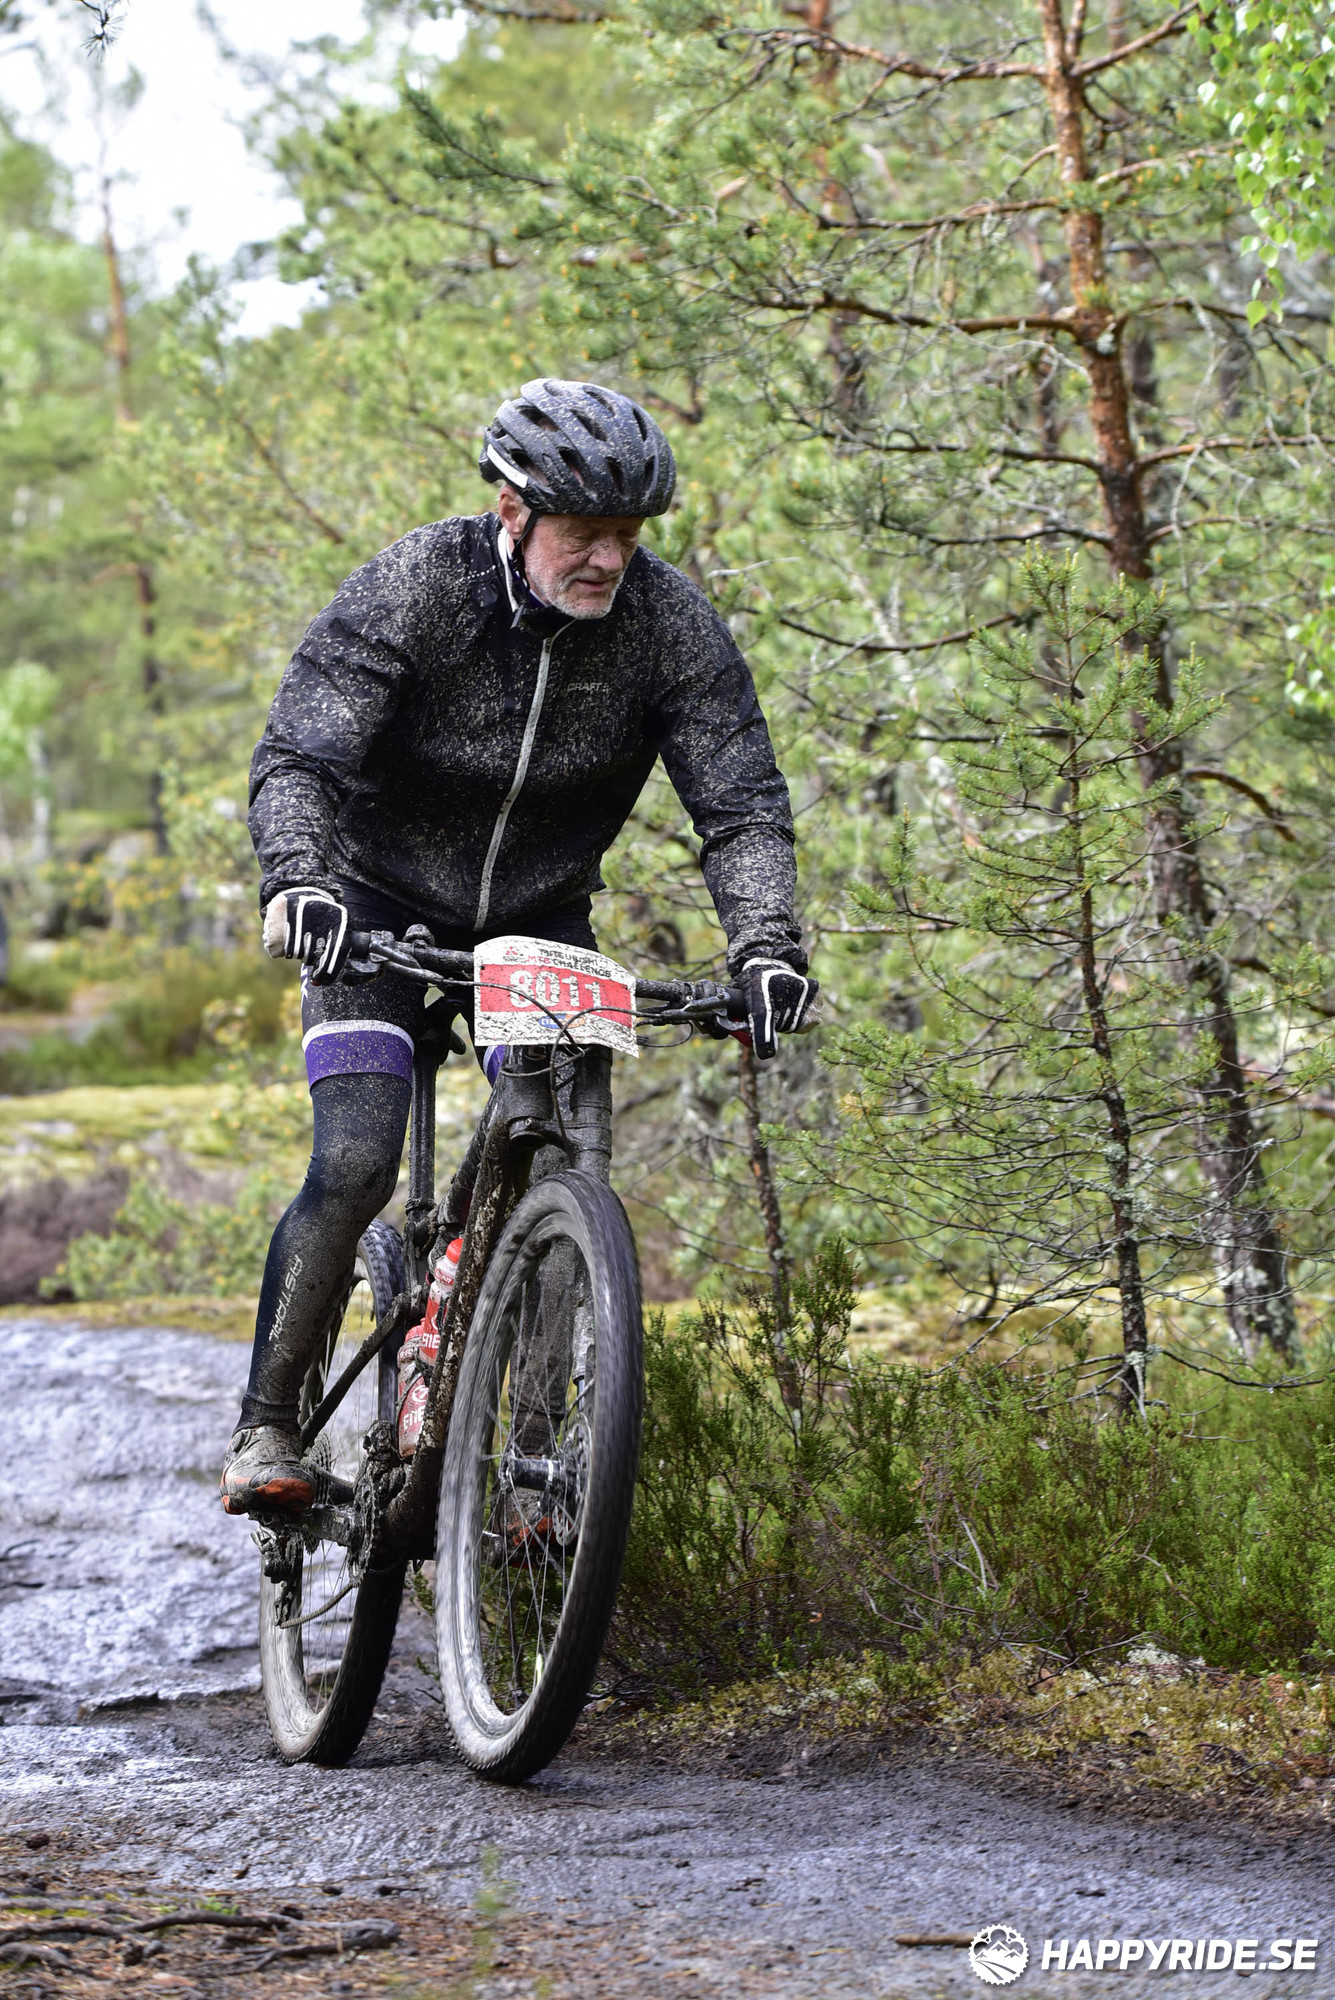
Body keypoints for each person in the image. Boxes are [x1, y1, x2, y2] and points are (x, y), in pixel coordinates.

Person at [221, 378, 816, 1517]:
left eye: (627, 535)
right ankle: (268, 1423)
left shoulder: (668, 625)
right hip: (371, 908)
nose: (609, 559)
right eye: (584, 532)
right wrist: (298, 878)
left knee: (565, 1164)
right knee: (356, 1161)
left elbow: (741, 803)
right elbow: (299, 755)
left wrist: (766, 945)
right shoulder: (420, 585)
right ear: (512, 510)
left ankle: (535, 1465)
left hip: (539, 919)